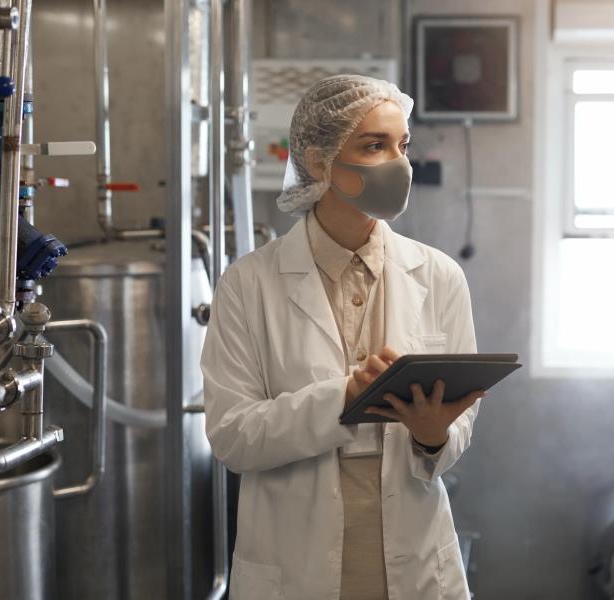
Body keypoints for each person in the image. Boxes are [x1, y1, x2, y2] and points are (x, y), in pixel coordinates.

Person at [201, 74, 484, 600]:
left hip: (413, 558)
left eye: (402, 145)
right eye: (374, 145)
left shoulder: (439, 275)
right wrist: (345, 398)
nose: (398, 163)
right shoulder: (249, 283)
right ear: (318, 159)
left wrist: (433, 435)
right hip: (293, 563)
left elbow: (457, 429)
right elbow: (232, 436)